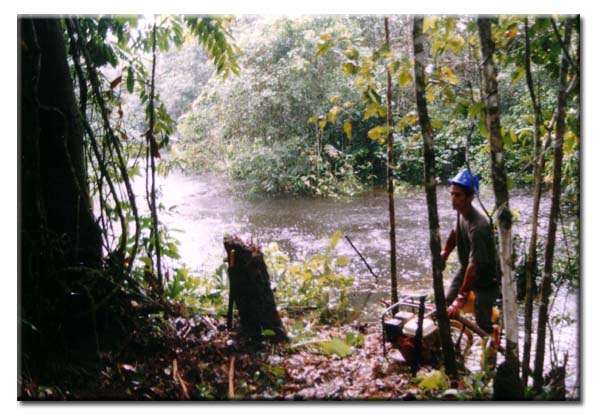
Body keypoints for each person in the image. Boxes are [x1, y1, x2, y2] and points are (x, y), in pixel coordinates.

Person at [440, 169, 497, 333]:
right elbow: (455, 232)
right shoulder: (461, 212)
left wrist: (461, 298)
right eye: (452, 194)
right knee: (447, 301)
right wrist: (445, 253)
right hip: (467, 268)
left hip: (486, 279)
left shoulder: (478, 226)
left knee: (482, 322)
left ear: (470, 197)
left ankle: (493, 336)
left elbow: (475, 265)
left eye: (458, 195)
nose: (453, 199)